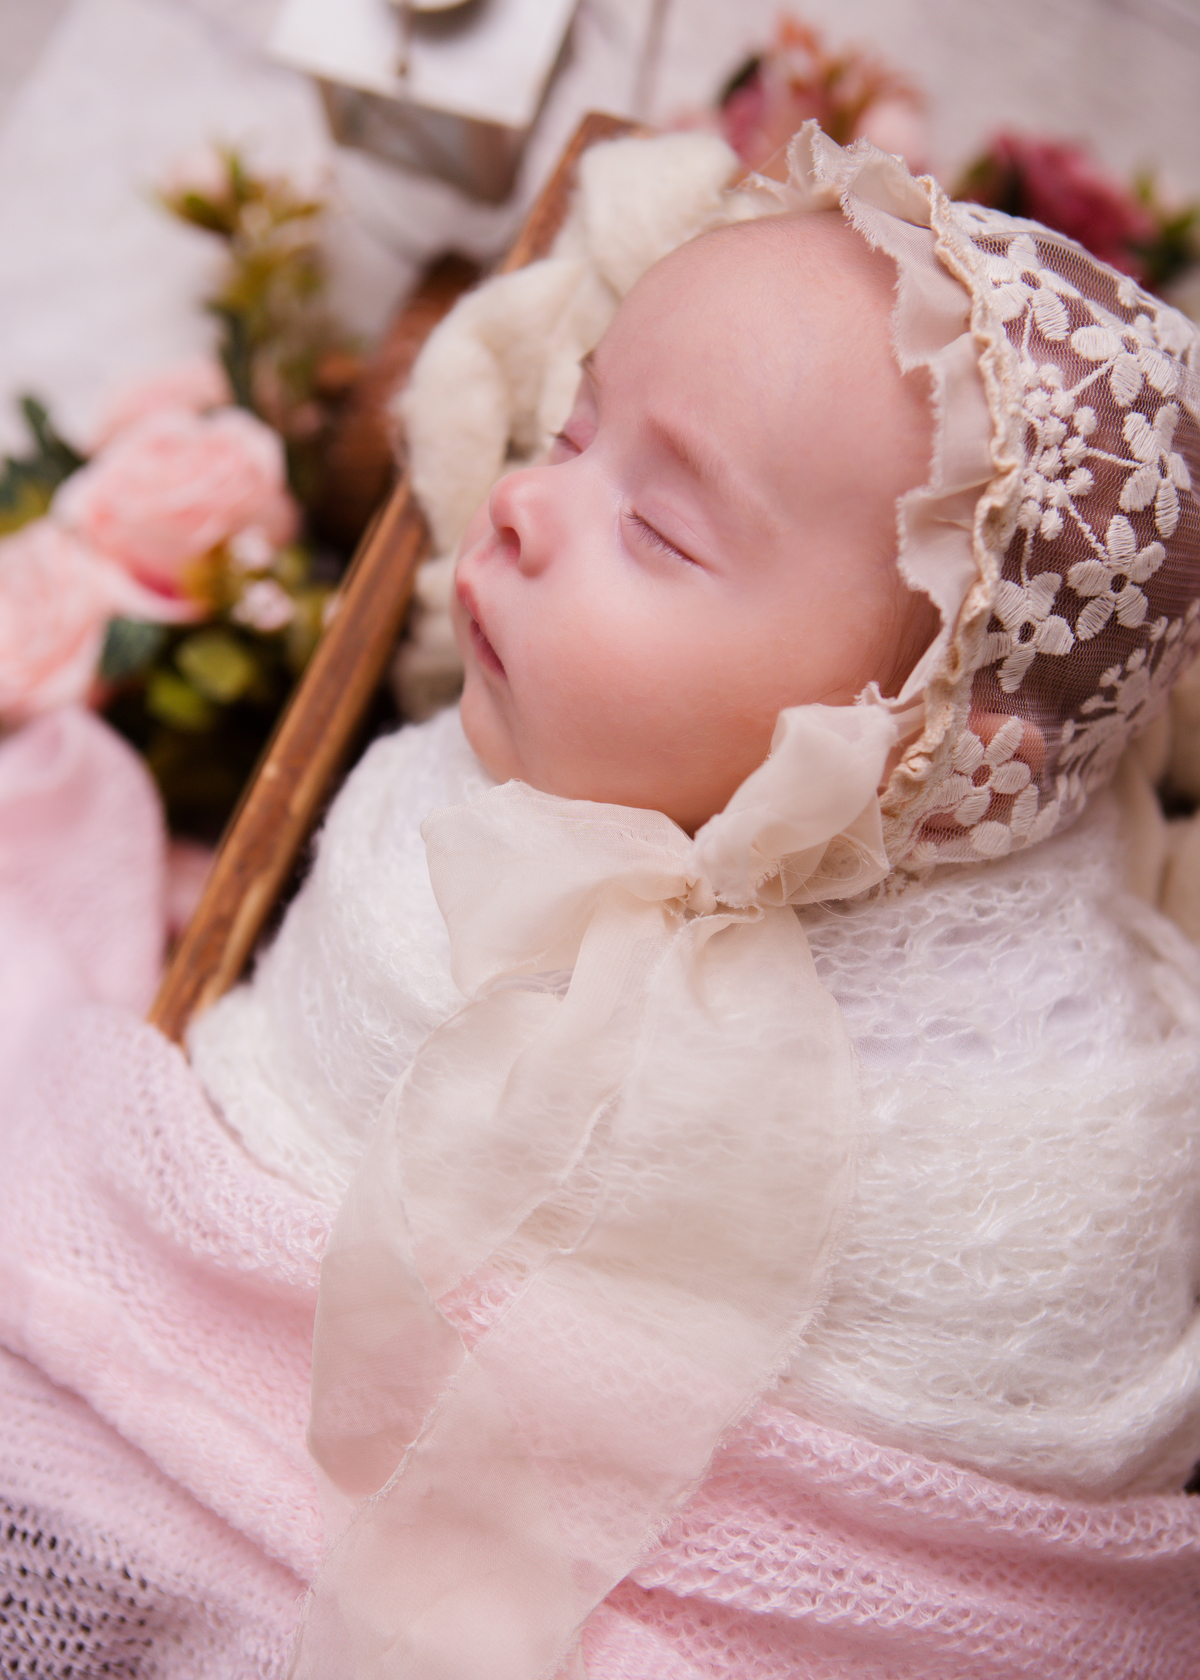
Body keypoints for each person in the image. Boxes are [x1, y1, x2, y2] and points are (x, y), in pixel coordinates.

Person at [3, 123, 1200, 1679]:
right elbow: (261, 1138)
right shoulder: (440, 809)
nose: (518, 503)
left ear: (941, 751)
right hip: (181, 1459)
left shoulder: (1057, 1095)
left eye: (659, 530)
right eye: (571, 432)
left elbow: (1021, 1444)